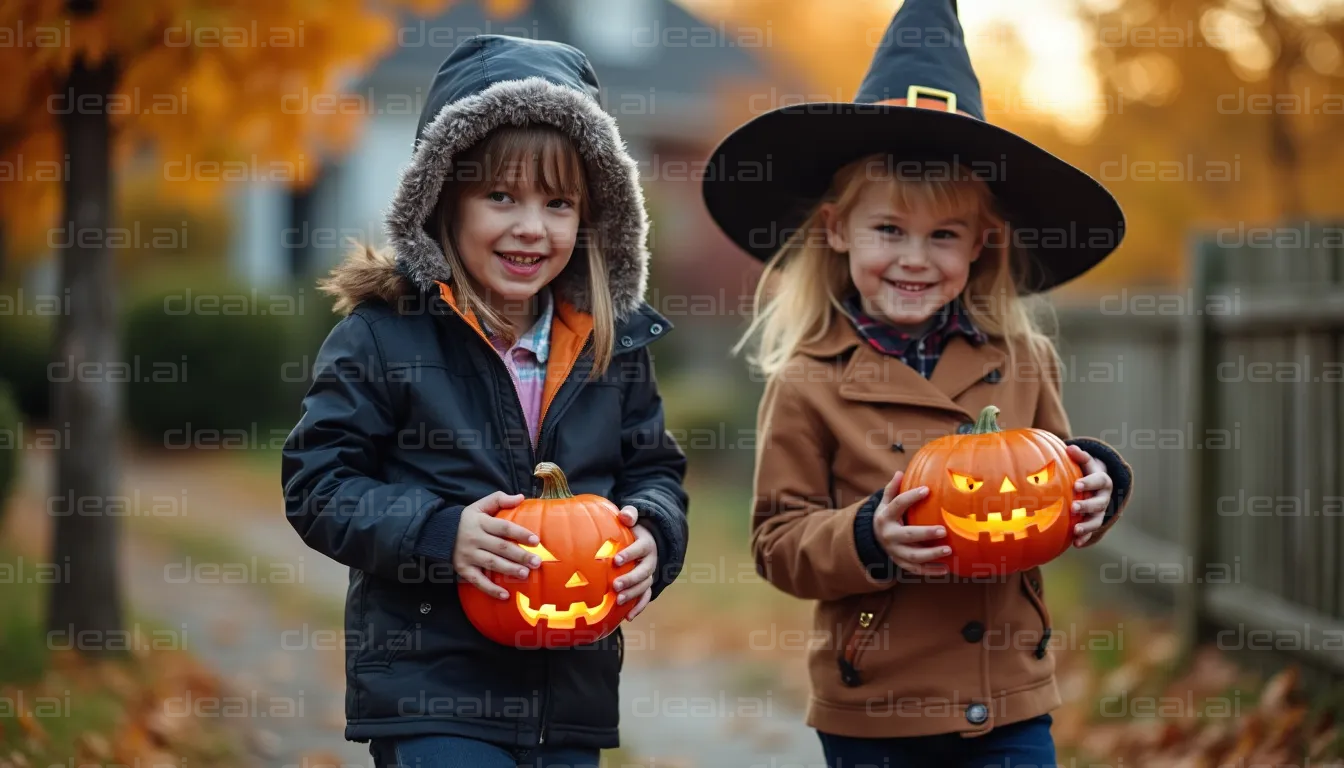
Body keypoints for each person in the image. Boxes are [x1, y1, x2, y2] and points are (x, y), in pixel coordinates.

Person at [704, 1, 1134, 765]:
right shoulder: (809, 378)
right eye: (888, 231)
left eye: (942, 236)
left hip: (1009, 695)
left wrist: (1098, 484)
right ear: (838, 230)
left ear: (981, 245)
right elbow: (778, 542)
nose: (913, 258)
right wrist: (868, 535)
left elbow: (1048, 481)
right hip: (877, 707)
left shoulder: (1023, 357)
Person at [281, 35, 688, 768]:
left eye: (558, 203)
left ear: (592, 219)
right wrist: (440, 534)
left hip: (568, 696)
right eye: (501, 196)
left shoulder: (609, 347)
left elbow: (654, 468)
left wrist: (654, 535)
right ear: (444, 201)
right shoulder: (383, 339)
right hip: (430, 689)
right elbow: (319, 484)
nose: (531, 227)